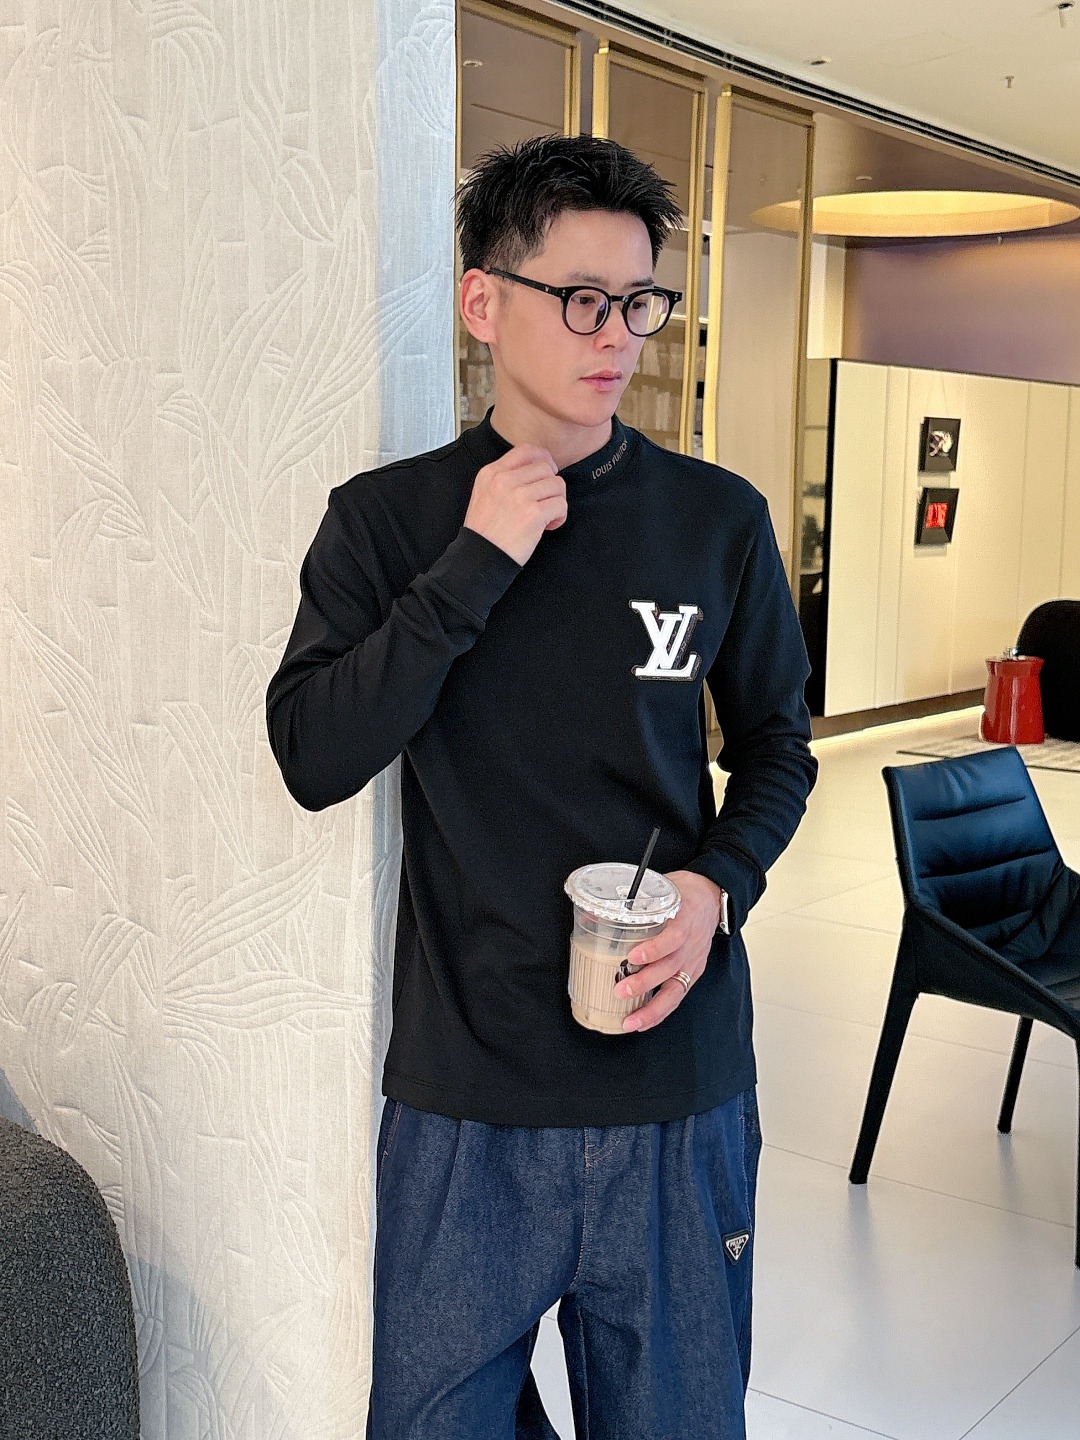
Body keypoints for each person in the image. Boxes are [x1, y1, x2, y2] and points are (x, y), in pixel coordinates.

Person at [266, 133, 818, 1440]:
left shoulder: (717, 520)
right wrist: (474, 563)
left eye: (639, 302)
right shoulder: (386, 522)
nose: (616, 335)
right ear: (483, 301)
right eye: (580, 298)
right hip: (470, 1097)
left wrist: (716, 888)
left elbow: (778, 747)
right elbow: (313, 754)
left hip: (674, 1084)